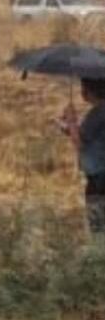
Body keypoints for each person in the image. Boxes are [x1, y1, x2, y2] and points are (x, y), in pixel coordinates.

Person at [56, 78, 105, 236]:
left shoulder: (98, 113)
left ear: (89, 91)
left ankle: (99, 253)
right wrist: (68, 126)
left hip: (99, 176)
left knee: (98, 223)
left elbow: (80, 142)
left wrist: (71, 120)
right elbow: (84, 135)